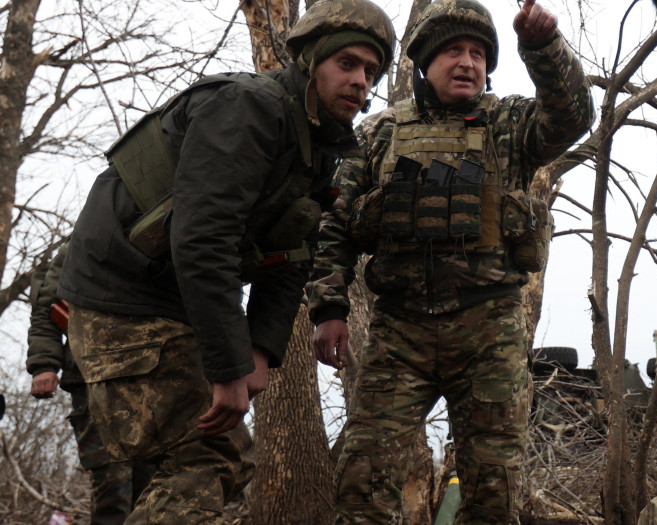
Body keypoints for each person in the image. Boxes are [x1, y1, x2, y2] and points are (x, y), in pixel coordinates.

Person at [56, 0, 396, 521]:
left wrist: (260, 350)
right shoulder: (248, 107)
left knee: (214, 462)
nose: (360, 81)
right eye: (346, 63)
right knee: (210, 457)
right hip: (121, 300)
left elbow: (292, 255)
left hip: (169, 305)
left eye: (371, 71)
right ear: (309, 61)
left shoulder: (319, 147)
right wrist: (228, 366)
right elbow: (201, 238)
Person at [305, 0, 594, 522]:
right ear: (425, 63)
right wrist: (329, 308)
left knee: (494, 492)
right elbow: (334, 226)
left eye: (479, 53)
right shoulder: (379, 133)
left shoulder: (508, 123)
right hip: (400, 331)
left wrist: (543, 48)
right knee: (361, 485)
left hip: (489, 331)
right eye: (454, 51)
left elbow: (573, 115)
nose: (468, 62)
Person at [26, 240, 156, 524]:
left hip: (154, 378)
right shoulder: (83, 242)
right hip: (94, 376)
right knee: (112, 486)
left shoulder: (160, 235)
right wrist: (44, 365)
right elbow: (48, 308)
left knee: (153, 488)